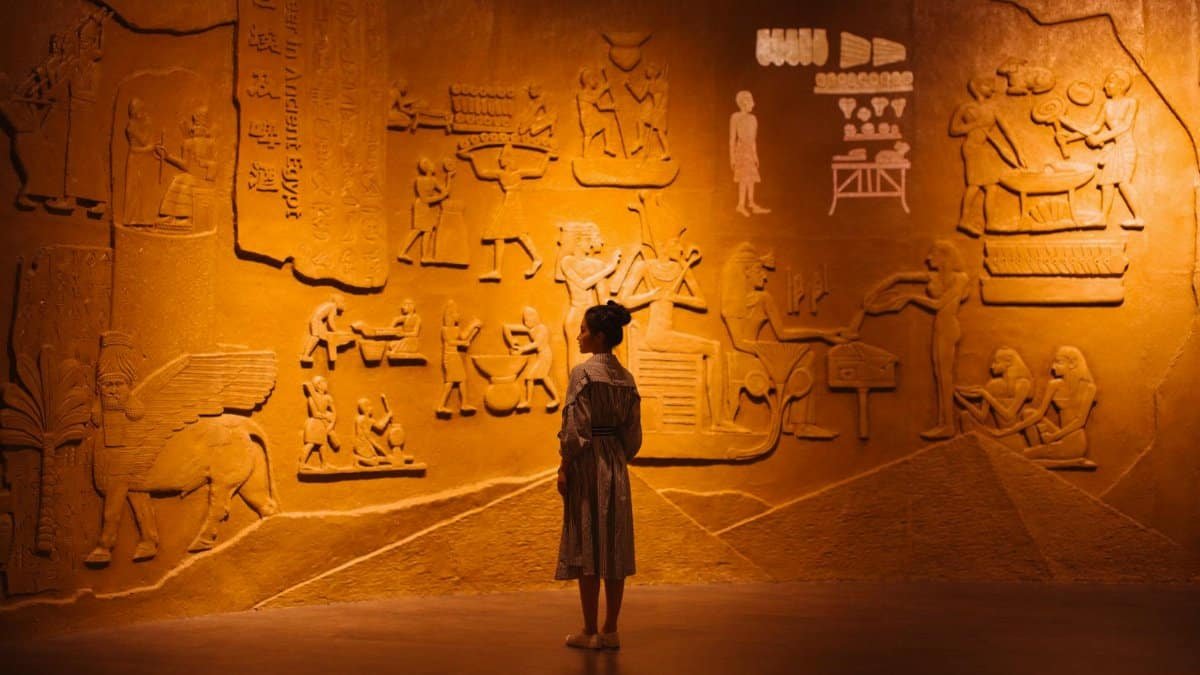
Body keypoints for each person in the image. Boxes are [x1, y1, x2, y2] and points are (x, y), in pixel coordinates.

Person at [557, 301, 641, 651]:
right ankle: (610, 629)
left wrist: (564, 466)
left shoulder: (583, 373)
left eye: (584, 330)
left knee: (588, 543)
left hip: (588, 463)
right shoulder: (627, 378)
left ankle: (590, 629)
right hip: (615, 463)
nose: (578, 336)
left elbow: (575, 429)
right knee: (615, 545)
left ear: (600, 336)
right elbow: (634, 437)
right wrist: (617, 455)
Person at [863, 240, 970, 440]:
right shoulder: (935, 277)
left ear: (945, 256)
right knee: (940, 377)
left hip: (948, 328)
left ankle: (948, 425)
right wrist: (879, 289)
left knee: (945, 377)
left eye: (933, 254)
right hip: (939, 327)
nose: (928, 259)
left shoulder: (960, 279)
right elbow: (901, 276)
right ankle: (943, 423)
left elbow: (939, 304)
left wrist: (911, 298)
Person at [948, 76, 1024, 235]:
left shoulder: (993, 109)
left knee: (990, 187)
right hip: (972, 148)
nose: (993, 90)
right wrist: (975, 125)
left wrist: (1018, 153)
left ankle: (990, 223)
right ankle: (965, 219)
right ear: (979, 87)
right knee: (975, 184)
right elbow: (954, 130)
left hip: (983, 149)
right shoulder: (967, 108)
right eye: (989, 86)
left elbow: (1007, 132)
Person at [729, 90, 770, 217]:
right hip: (740, 151)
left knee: (751, 178)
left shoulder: (753, 119)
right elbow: (732, 138)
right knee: (743, 178)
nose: (753, 104)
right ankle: (741, 205)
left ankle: (751, 203)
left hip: (749, 152)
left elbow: (753, 140)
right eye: (750, 101)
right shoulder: (735, 117)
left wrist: (755, 155)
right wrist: (732, 157)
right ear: (744, 103)